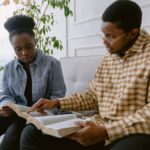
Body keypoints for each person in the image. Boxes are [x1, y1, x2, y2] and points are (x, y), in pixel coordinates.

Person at [20, 1, 150, 150]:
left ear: (133, 33)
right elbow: (91, 97)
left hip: (131, 132)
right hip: (98, 125)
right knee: (32, 133)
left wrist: (105, 131)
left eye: (110, 36)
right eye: (103, 35)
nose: (104, 42)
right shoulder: (110, 57)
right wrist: (56, 102)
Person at [0, 15, 66, 150]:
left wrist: (46, 108)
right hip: (16, 115)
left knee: (13, 136)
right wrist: (5, 105)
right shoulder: (8, 68)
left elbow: (58, 97)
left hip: (41, 116)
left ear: (35, 41)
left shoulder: (52, 64)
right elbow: (5, 94)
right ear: (13, 48)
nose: (24, 53)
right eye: (18, 49)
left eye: (28, 47)